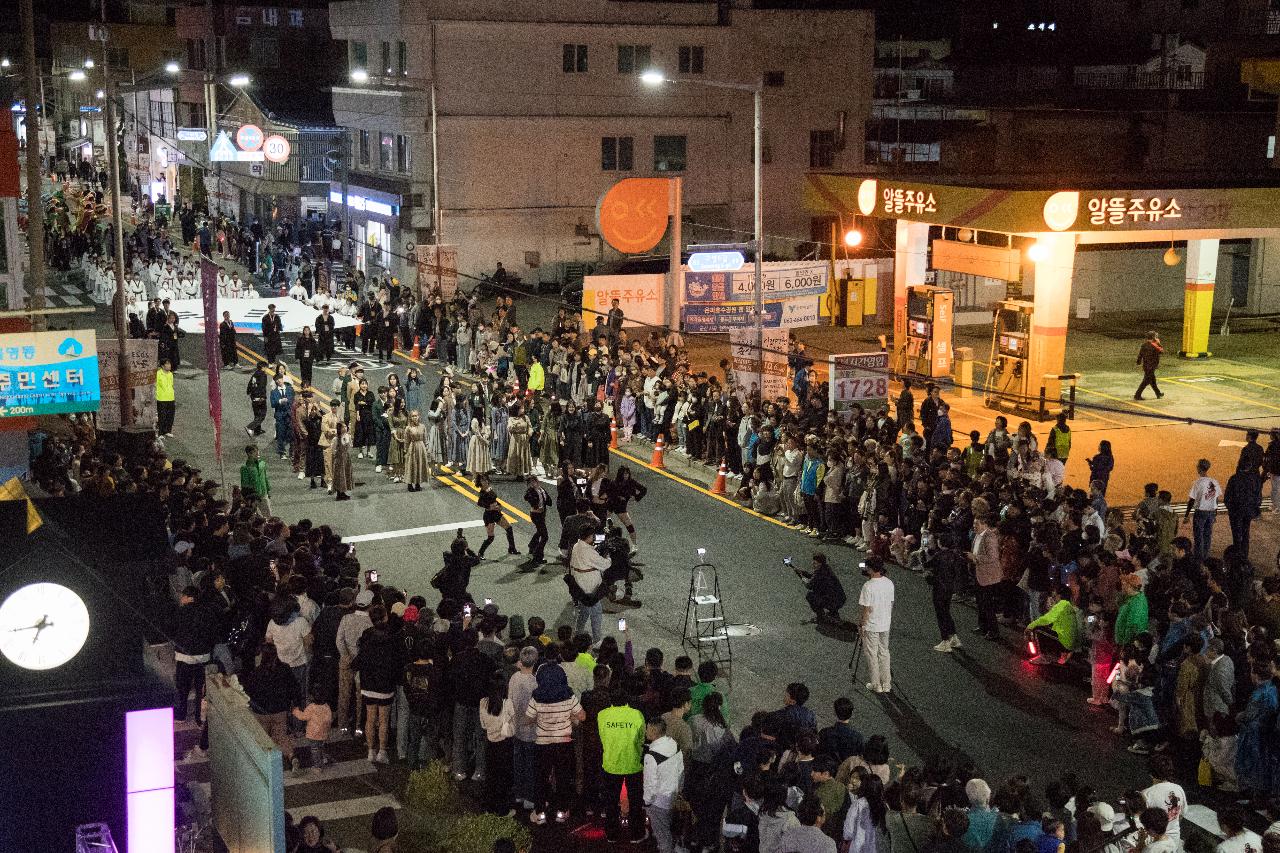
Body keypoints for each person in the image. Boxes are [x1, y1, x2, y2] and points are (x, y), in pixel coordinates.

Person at [525, 663, 584, 825]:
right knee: (563, 778)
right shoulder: (569, 695)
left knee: (541, 778)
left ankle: (540, 813)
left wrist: (541, 718)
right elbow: (582, 716)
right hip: (564, 743)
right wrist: (570, 718)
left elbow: (527, 719)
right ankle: (562, 811)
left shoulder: (536, 696)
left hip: (543, 743)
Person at [243, 643, 302, 773]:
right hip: (280, 711)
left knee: (263, 739)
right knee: (281, 736)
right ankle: (292, 757)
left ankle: (264, 766)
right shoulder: (285, 669)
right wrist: (295, 704)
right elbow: (295, 688)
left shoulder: (256, 673)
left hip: (261, 713)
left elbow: (247, 692)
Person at [355, 605, 402, 764]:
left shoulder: (366, 635)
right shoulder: (392, 637)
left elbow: (360, 658)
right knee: (383, 720)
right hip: (385, 685)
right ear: (385, 617)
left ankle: (370, 751)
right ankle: (382, 751)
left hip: (368, 683)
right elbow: (396, 662)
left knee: (370, 718)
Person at [599, 685, 647, 841]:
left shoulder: (602, 715)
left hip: (611, 764)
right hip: (633, 763)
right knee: (635, 801)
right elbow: (642, 738)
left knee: (611, 801)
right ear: (627, 700)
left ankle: (611, 834)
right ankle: (636, 834)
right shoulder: (637, 714)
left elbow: (602, 737)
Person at [173, 585, 217, 724]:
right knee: (200, 689)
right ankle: (199, 717)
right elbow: (213, 633)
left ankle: (181, 714)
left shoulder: (180, 612)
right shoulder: (208, 612)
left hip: (184, 656)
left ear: (189, 597)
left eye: (183, 596)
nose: (181, 598)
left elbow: (172, 630)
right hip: (203, 657)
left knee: (182, 687)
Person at [644, 716, 685, 853]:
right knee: (670, 828)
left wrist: (647, 802)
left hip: (659, 802)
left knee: (663, 836)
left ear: (654, 731)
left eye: (647, 728)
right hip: (673, 796)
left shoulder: (651, 756)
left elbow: (650, 783)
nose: (645, 731)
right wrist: (678, 790)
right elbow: (680, 770)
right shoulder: (674, 744)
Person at [858, 556, 894, 694]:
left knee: (872, 654)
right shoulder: (889, 583)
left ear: (871, 569)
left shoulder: (868, 586)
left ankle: (876, 684)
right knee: (884, 652)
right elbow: (891, 603)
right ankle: (887, 684)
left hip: (872, 625)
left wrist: (862, 625)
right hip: (885, 623)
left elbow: (866, 609)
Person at [568, 528, 611, 643]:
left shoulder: (576, 546)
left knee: (584, 611)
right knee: (596, 613)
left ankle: (578, 633)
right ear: (589, 536)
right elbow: (605, 565)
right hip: (590, 587)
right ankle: (597, 639)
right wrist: (608, 557)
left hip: (579, 585)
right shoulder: (588, 550)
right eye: (592, 536)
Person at [1025, 586, 1079, 665]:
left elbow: (1046, 619)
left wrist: (1030, 626)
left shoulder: (1061, 605)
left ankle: (1044, 657)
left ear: (1059, 595)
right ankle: (1060, 653)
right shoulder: (1068, 605)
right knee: (1047, 630)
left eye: (1055, 594)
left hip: (1065, 642)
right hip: (1070, 641)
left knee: (1039, 629)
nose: (1053, 596)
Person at [1141, 755, 1186, 846]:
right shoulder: (1179, 789)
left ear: (1150, 773)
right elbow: (1181, 815)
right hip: (1174, 840)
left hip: (1154, 842)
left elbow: (1142, 822)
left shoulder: (1146, 794)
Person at [1183, 458, 1221, 562]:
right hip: (1211, 512)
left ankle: (1198, 559)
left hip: (1200, 512)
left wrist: (1186, 515)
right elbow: (1216, 499)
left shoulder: (1198, 483)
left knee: (1198, 536)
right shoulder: (1214, 482)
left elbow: (1191, 500)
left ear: (1199, 468)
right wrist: (1215, 515)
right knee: (1208, 535)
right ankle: (1205, 556)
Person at [475, 474, 519, 558]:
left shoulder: (489, 489)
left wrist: (499, 505)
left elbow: (494, 499)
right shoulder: (482, 492)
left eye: (486, 479)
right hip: (489, 516)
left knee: (509, 528)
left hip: (496, 513)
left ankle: (512, 548)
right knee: (491, 537)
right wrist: (489, 507)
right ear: (480, 483)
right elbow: (479, 503)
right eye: (483, 480)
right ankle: (480, 553)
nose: (485, 481)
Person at [795, 553, 847, 624]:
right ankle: (833, 613)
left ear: (820, 564)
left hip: (834, 601)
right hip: (840, 599)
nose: (813, 564)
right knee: (823, 591)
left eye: (815, 563)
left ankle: (821, 617)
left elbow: (809, 585)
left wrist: (802, 578)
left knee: (810, 596)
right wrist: (803, 572)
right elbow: (814, 578)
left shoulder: (819, 573)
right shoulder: (826, 569)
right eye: (813, 562)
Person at [292, 686, 334, 772]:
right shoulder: (327, 707)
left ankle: (317, 766)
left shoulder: (311, 708)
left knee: (314, 750)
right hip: (323, 733)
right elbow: (329, 719)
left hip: (313, 734)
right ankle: (325, 759)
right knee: (321, 747)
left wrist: (295, 711)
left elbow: (303, 716)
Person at [523, 474, 551, 565]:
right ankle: (537, 556)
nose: (533, 484)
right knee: (545, 536)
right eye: (531, 483)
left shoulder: (542, 490)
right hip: (536, 515)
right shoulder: (530, 492)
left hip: (542, 514)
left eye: (534, 481)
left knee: (540, 532)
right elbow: (526, 497)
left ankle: (532, 545)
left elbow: (548, 500)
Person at [402, 410, 430, 491]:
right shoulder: (408, 428)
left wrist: (426, 449)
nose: (415, 417)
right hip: (412, 448)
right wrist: (406, 451)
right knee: (412, 466)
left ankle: (418, 483)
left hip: (421, 448)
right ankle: (410, 484)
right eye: (413, 416)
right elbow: (406, 441)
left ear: (419, 416)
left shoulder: (423, 426)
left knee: (420, 465)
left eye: (416, 416)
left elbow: (425, 439)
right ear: (410, 418)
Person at [240, 444, 271, 513]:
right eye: (255, 451)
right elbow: (245, 484)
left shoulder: (262, 464)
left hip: (263, 494)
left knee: (268, 515)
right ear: (249, 454)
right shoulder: (245, 468)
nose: (257, 453)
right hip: (253, 497)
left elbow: (265, 478)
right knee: (252, 514)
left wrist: (268, 490)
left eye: (258, 451)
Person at [1134, 330, 1164, 400]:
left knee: (1153, 380)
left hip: (1146, 366)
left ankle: (1158, 393)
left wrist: (1138, 362)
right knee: (1146, 381)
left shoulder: (1144, 345)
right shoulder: (1154, 346)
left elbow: (1140, 354)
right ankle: (1137, 395)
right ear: (1153, 337)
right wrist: (1159, 343)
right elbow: (1161, 351)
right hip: (1151, 367)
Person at [246, 362, 269, 437]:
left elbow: (250, 384)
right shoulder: (263, 375)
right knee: (262, 415)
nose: (266, 369)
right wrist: (262, 397)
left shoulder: (255, 374)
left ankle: (257, 430)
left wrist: (249, 392)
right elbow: (262, 386)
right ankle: (250, 427)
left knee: (257, 414)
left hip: (254, 397)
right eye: (266, 367)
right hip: (260, 398)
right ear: (263, 367)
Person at [155, 359, 176, 437]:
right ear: (162, 366)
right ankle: (160, 432)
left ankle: (167, 431)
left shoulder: (170, 374)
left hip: (171, 397)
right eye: (167, 364)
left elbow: (171, 385)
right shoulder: (158, 374)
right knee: (162, 416)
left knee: (170, 415)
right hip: (161, 398)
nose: (169, 365)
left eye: (169, 363)